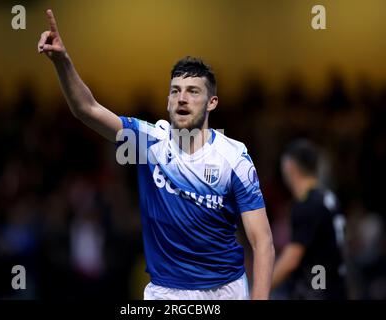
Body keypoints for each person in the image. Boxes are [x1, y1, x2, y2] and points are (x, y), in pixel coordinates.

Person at [38, 9, 275, 300]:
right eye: (175, 91)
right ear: (167, 100)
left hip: (224, 291)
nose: (182, 98)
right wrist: (62, 61)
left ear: (212, 103)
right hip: (166, 293)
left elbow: (261, 240)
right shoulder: (149, 142)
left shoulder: (234, 158)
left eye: (192, 91)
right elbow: (86, 109)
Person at [272, 139, 347, 299]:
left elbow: (292, 258)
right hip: (335, 287)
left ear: (289, 165)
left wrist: (261, 287)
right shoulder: (328, 198)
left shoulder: (307, 204)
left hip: (317, 291)